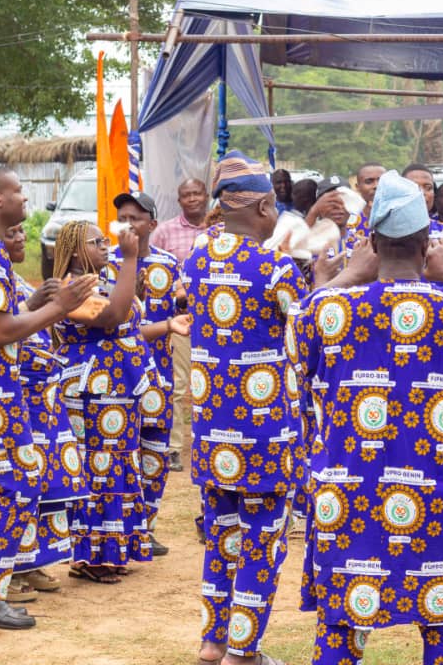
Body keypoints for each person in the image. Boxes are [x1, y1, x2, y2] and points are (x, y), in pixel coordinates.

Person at [288, 169, 443, 665]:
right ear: (427, 245)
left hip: (347, 492)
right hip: (438, 491)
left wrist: (347, 275)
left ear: (370, 241)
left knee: (341, 630)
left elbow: (295, 341)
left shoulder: (328, 311)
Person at [0, 165, 93, 629]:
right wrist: (58, 308)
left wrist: (34, 303)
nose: (26, 200)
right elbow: (1, 330)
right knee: (22, 483)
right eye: (19, 192)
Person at [183, 151, 309, 665]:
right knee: (262, 542)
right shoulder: (274, 264)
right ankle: (244, 652)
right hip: (266, 431)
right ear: (263, 204)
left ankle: (214, 642)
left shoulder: (196, 254)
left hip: (213, 429)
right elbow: (307, 332)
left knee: (222, 537)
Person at [53, 219, 156, 583]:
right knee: (97, 469)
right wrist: (130, 259)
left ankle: (114, 548)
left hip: (119, 388)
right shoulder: (70, 287)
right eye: (97, 242)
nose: (105, 246)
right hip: (91, 390)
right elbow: (113, 317)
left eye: (104, 240)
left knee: (118, 464)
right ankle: (91, 556)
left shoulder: (104, 277)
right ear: (76, 249)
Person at [4, 224, 88, 600]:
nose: (22, 237)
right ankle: (10, 570)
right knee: (21, 489)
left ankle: (32, 562)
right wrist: (40, 305)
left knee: (48, 487)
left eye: (24, 232)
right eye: (12, 232)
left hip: (46, 403)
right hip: (19, 401)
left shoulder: (17, 282)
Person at [108, 191, 190, 557]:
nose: (127, 224)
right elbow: (112, 327)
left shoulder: (170, 265)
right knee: (122, 453)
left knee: (155, 456)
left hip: (159, 375)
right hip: (117, 378)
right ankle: (121, 529)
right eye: (122, 217)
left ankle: (146, 528)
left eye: (135, 218)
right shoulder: (104, 265)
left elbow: (183, 313)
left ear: (152, 225)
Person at [151, 176, 210, 473]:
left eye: (196, 193)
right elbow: (150, 271)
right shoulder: (164, 232)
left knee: (216, 384)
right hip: (183, 319)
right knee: (179, 385)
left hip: (220, 319)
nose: (192, 199)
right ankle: (174, 448)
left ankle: (213, 443)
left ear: (206, 195)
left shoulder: (220, 231)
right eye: (186, 195)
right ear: (179, 200)